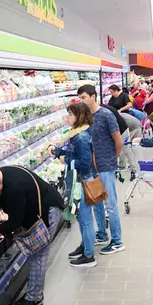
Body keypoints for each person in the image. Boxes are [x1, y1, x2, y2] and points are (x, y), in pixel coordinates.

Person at [0, 164, 63, 305]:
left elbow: (15, 221)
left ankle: (34, 298)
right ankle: (32, 294)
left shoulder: (15, 188)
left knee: (38, 254)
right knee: (33, 255)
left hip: (47, 211)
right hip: (32, 212)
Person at [76, 85, 125, 254]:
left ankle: (117, 241)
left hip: (105, 165)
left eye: (83, 97)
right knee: (97, 202)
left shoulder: (106, 115)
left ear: (93, 96)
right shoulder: (84, 117)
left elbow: (118, 141)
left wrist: (113, 157)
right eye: (79, 98)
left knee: (110, 204)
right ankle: (102, 235)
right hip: (91, 167)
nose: (81, 101)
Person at [50, 103, 98, 268]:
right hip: (80, 180)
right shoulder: (77, 134)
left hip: (82, 181)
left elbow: (84, 163)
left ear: (80, 117)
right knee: (81, 218)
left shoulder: (81, 137)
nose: (67, 117)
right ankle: (85, 247)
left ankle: (89, 256)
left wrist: (66, 159)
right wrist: (58, 152)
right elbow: (75, 154)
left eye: (70, 114)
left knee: (85, 219)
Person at [119, 111, 143, 181]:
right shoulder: (120, 114)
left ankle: (123, 165)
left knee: (125, 147)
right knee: (133, 147)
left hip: (131, 128)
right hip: (138, 126)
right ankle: (136, 165)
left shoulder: (112, 117)